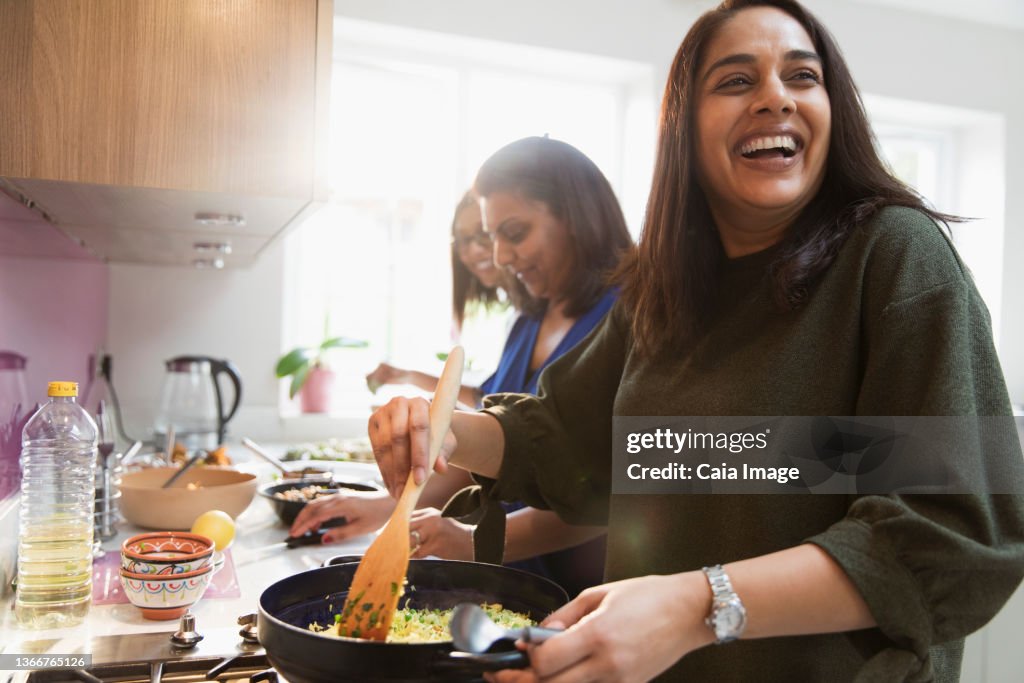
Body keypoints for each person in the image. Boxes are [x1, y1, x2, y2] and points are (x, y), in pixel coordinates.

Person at [366, 2, 1024, 682]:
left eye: (802, 76)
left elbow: (944, 535)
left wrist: (697, 605)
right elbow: (570, 439)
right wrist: (444, 430)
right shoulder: (665, 281)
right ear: (684, 125)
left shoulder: (895, 256)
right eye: (737, 81)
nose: (776, 97)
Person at [297, 148, 635, 597]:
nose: (500, 255)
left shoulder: (627, 321)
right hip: (509, 580)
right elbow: (492, 455)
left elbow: (606, 493)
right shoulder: (526, 323)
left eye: (513, 233)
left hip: (578, 592)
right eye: (491, 237)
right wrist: (385, 506)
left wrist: (477, 541)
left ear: (578, 217)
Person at [365, 190, 526, 409]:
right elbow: (490, 399)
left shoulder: (537, 317)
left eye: (485, 234)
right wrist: (408, 377)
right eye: (463, 240)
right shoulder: (520, 316)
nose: (474, 250)